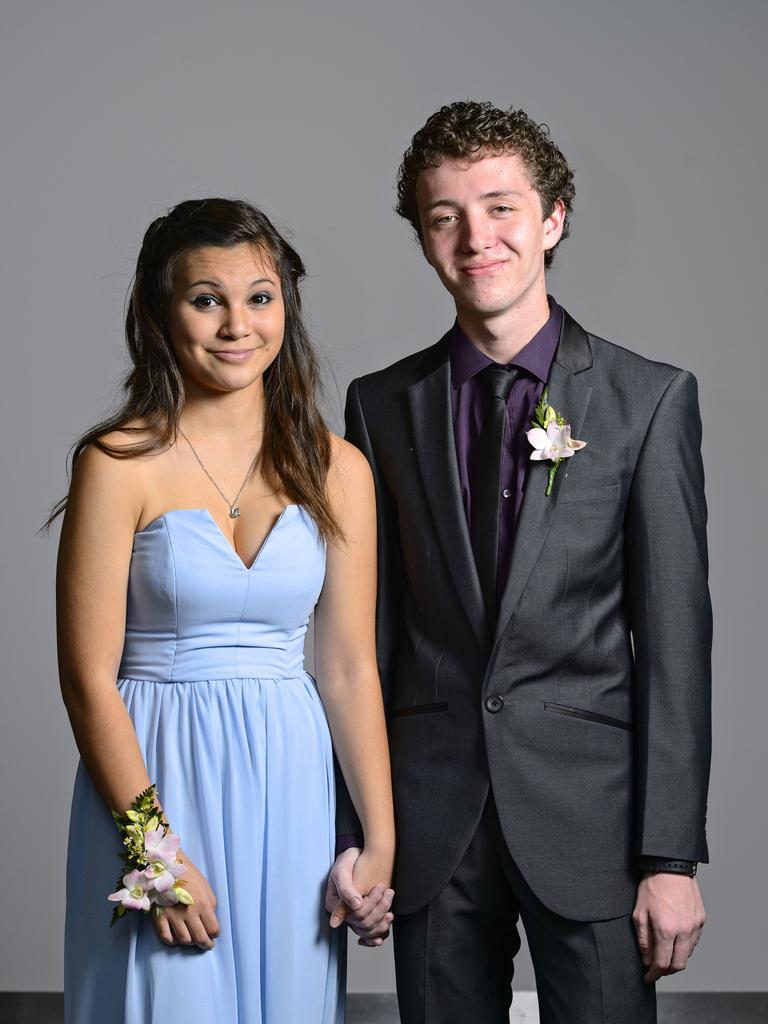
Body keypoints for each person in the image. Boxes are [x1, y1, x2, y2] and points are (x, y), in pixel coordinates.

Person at [337, 101, 712, 1023]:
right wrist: (360, 833)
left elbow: (674, 641)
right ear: (423, 240)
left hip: (592, 825)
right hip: (431, 821)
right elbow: (364, 643)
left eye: (501, 207)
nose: (476, 238)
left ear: (553, 219)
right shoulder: (380, 409)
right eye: (445, 217)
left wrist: (669, 858)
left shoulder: (647, 400)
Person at [53, 198, 395, 1024]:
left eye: (260, 296)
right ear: (159, 313)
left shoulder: (339, 468)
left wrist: (380, 841)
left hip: (291, 781)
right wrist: (153, 853)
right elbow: (87, 679)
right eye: (206, 298)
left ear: (287, 308)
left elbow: (348, 667)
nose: (237, 323)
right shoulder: (117, 463)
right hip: (156, 771)